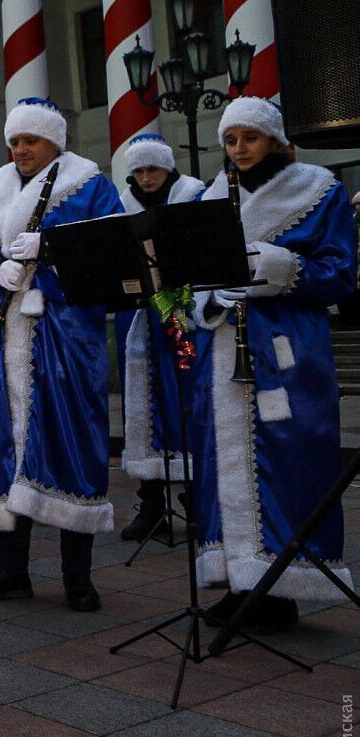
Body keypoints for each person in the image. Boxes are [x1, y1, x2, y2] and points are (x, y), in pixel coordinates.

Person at [0, 98, 123, 612]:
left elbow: (111, 253)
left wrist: (49, 251)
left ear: (55, 143)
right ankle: (9, 570)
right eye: (16, 141)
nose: (21, 149)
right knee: (6, 447)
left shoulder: (91, 184)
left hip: (64, 337)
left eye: (31, 140)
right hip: (3, 338)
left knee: (72, 442)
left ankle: (78, 575)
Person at [192, 97, 355, 634]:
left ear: (276, 139)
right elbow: (188, 280)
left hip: (290, 352)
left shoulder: (318, 188)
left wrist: (278, 267)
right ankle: (242, 580)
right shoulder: (212, 196)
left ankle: (283, 587)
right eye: (231, 139)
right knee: (224, 467)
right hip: (223, 356)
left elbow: (339, 276)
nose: (239, 149)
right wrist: (210, 299)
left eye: (250, 138)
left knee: (292, 463)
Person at [116, 134, 209, 543]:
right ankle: (151, 501)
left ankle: (197, 501)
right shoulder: (123, 206)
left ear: (168, 168)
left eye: (152, 168)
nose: (145, 177)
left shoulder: (194, 197)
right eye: (138, 170)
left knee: (189, 400)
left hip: (184, 315)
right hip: (139, 319)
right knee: (141, 403)